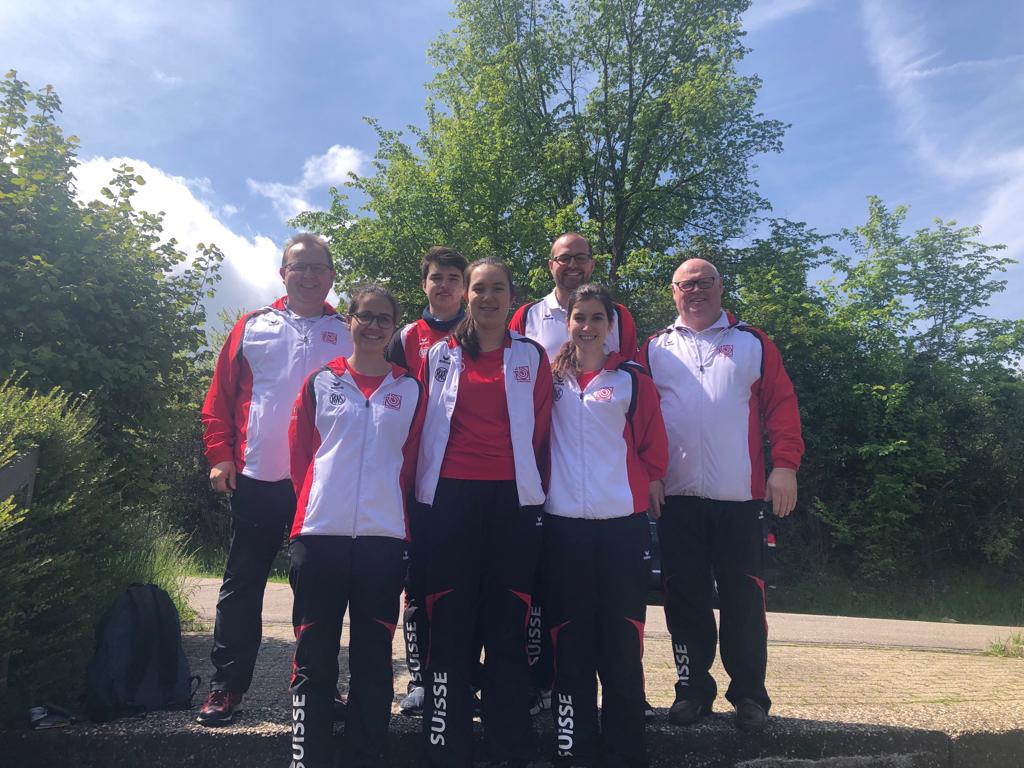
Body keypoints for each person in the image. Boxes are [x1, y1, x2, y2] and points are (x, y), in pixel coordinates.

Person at [641, 258, 804, 732]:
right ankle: (692, 691)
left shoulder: (753, 342)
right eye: (685, 285)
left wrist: (786, 466)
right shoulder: (655, 349)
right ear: (673, 293)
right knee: (683, 597)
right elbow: (641, 420)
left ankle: (750, 695)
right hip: (676, 496)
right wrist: (649, 474)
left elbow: (781, 404)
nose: (694, 292)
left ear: (720, 287)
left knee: (744, 598)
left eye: (703, 283)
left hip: (740, 495)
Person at [198, 233, 352, 726]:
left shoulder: (349, 330)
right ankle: (226, 687)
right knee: (243, 584)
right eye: (298, 266)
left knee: (319, 590)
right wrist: (220, 456)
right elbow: (219, 398)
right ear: (283, 272)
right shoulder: (252, 325)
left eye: (318, 267)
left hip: (321, 483)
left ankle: (317, 690)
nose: (308, 275)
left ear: (331, 275)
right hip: (257, 477)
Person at [416, 258, 553, 767]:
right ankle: (444, 746)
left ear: (512, 297)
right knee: (449, 623)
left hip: (513, 503)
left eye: (498, 289)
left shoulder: (533, 356)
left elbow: (541, 433)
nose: (488, 297)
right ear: (466, 296)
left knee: (507, 625)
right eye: (479, 288)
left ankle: (508, 746)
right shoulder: (437, 355)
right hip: (450, 500)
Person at [288, 285, 425, 768]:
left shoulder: (410, 389)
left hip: (382, 540)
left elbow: (410, 464)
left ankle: (366, 755)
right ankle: (309, 756)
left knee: (373, 659)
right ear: (348, 321)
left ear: (394, 327)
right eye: (364, 316)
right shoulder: (320, 382)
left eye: (383, 318)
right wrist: (319, 505)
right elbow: (302, 455)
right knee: (314, 655)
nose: (372, 326)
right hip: (319, 534)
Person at [544, 284, 668, 767]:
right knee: (570, 637)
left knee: (620, 639)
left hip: (621, 522)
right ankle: (572, 746)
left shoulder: (632, 379)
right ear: (568, 321)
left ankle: (624, 750)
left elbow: (651, 441)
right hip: (563, 524)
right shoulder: (548, 377)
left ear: (610, 325)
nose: (588, 326)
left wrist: (652, 481)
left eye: (597, 318)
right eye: (579, 317)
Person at [385, 246, 468, 716]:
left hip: (471, 475)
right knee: (418, 582)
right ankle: (418, 676)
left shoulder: (480, 329)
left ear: (463, 285)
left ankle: (462, 674)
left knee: (466, 582)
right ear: (425, 284)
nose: (444, 285)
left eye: (453, 278)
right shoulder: (405, 337)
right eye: (436, 277)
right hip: (418, 476)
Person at [509, 232, 638, 361]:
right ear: (551, 266)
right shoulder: (527, 316)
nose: (572, 265)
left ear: (592, 265)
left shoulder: (618, 316)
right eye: (564, 258)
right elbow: (511, 371)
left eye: (580, 258)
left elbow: (632, 374)